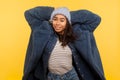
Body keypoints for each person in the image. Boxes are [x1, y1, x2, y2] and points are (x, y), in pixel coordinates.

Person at [22, 6, 106, 80]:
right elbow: (29, 14)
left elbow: (95, 19)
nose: (57, 23)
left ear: (68, 23)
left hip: (70, 76)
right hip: (52, 77)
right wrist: (54, 11)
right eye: (55, 19)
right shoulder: (45, 33)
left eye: (62, 20)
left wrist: (67, 14)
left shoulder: (75, 34)